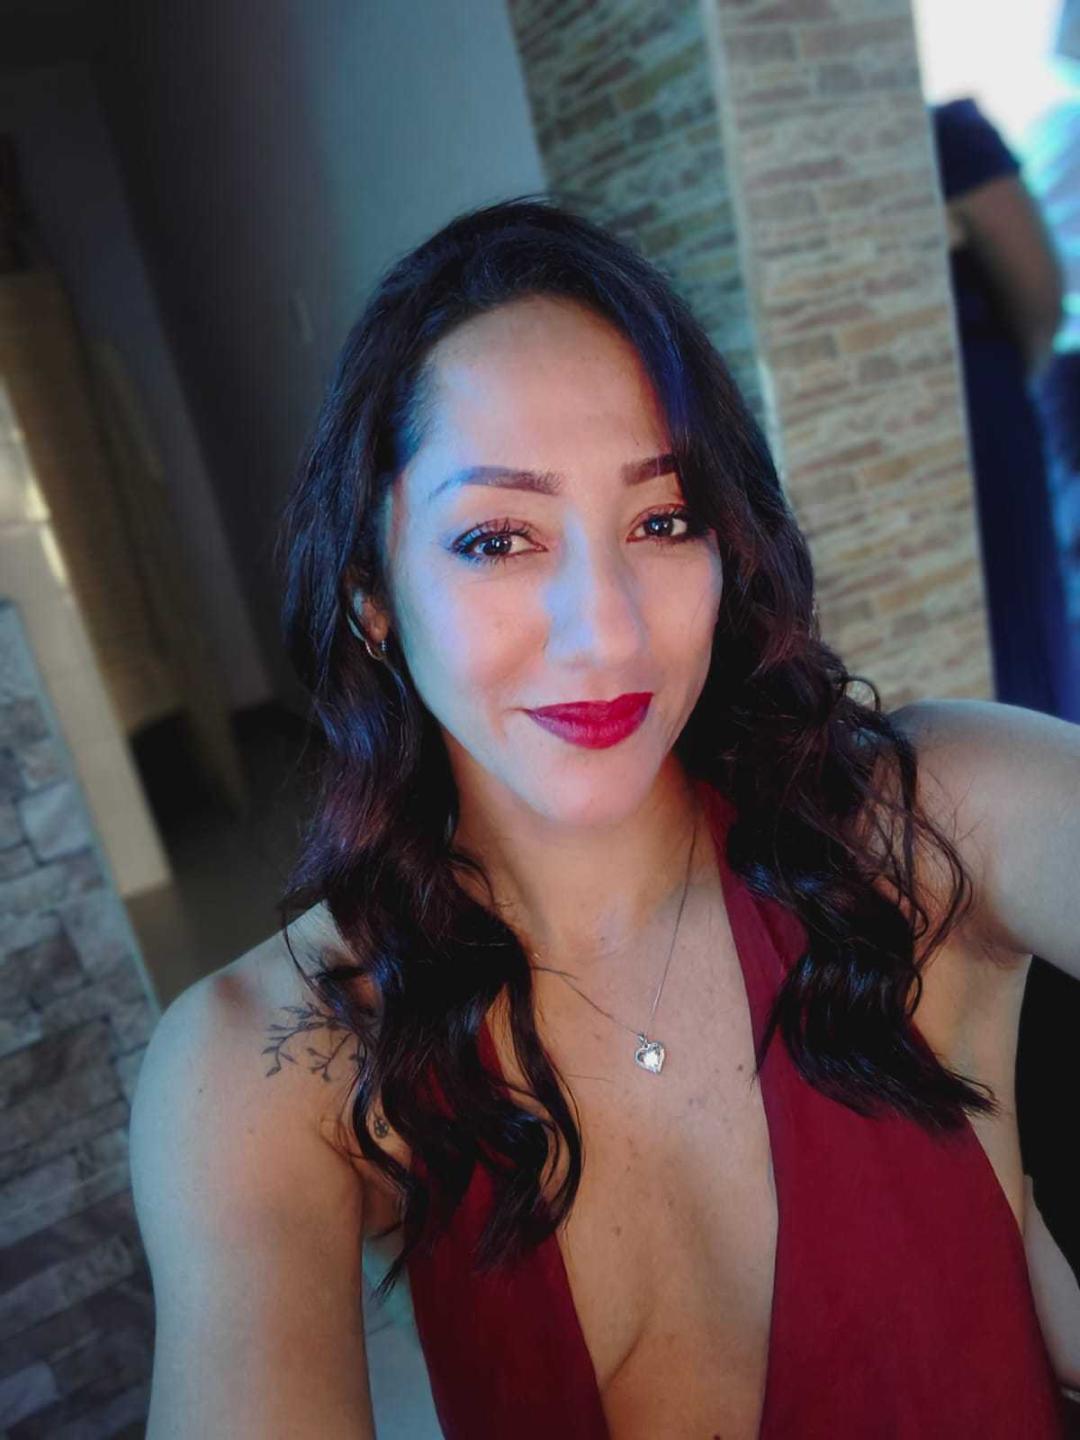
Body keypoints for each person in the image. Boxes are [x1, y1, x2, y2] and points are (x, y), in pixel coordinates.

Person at [130, 196, 1080, 1438]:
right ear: (373, 597)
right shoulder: (266, 1065)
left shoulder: (931, 819)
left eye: (663, 520)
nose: (607, 630)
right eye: (499, 539)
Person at [931, 96, 1080, 724]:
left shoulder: (950, 134)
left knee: (1023, 614)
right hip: (957, 415)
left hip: (988, 412)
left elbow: (1040, 296)